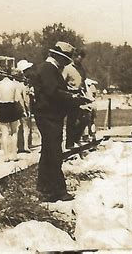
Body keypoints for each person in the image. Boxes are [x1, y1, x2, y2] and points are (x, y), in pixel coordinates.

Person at [32, 41, 91, 202]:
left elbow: (56, 91)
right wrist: (73, 97)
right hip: (48, 116)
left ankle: (44, 188)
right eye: (65, 59)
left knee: (48, 152)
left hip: (50, 116)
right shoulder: (48, 69)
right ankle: (57, 191)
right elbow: (53, 92)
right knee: (54, 153)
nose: (66, 63)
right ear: (57, 56)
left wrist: (72, 97)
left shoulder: (51, 69)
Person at [0, 71, 25, 162]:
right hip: (12, 106)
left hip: (3, 107)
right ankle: (14, 155)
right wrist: (23, 109)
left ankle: (6, 156)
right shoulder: (13, 85)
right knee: (14, 132)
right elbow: (17, 98)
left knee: (5, 133)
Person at [63, 49, 87, 148]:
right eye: (78, 57)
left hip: (80, 95)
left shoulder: (82, 69)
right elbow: (62, 82)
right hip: (70, 95)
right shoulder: (67, 68)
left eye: (82, 58)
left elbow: (83, 81)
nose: (80, 59)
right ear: (74, 57)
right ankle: (69, 143)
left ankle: (76, 138)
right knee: (71, 120)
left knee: (85, 118)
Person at [15, 59, 35, 152]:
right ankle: (25, 146)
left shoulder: (15, 83)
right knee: (25, 126)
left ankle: (20, 145)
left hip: (15, 107)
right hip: (23, 107)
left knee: (17, 127)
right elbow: (25, 99)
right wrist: (27, 109)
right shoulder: (23, 85)